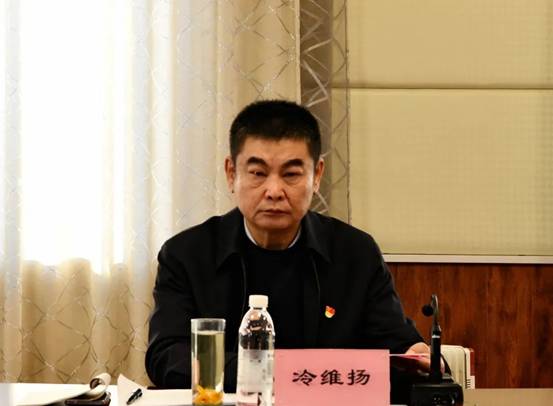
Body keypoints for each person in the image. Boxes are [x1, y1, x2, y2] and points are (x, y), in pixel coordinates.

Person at [145, 100, 430, 402]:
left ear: (316, 175)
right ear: (231, 174)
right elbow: (167, 356)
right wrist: (283, 373)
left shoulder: (356, 253)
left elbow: (397, 349)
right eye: (258, 173)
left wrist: (416, 355)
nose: (274, 191)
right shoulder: (187, 254)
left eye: (291, 174)